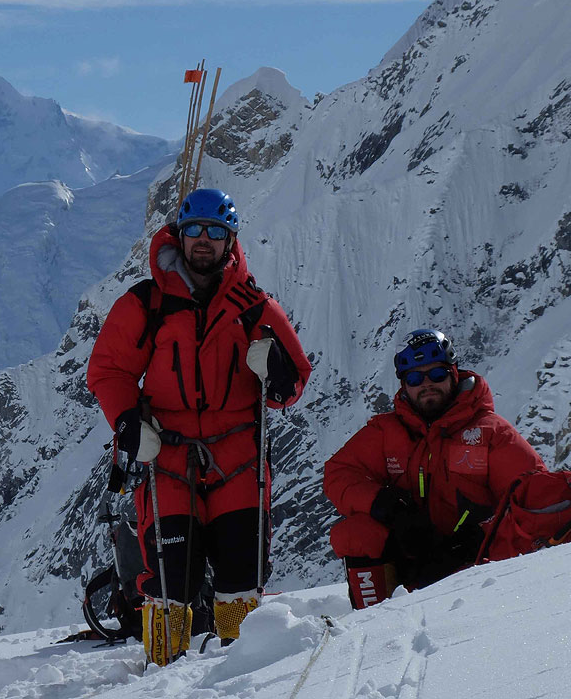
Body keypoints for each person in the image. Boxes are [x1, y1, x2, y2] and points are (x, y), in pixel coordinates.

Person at [87, 188, 311, 665]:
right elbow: (108, 369)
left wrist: (279, 375)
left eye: (215, 232)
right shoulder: (147, 304)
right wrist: (127, 420)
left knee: (240, 578)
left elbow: (293, 383)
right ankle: (163, 672)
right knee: (171, 582)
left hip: (239, 459)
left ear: (231, 240)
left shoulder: (255, 308)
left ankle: (241, 671)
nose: (203, 241)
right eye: (194, 231)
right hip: (167, 457)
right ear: (180, 236)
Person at [323, 328, 545, 609]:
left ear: (453, 373)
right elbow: (338, 473)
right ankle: (371, 621)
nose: (426, 384)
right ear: (404, 385)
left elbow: (534, 496)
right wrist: (387, 507)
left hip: (476, 560)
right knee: (356, 533)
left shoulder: (490, 432)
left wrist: (480, 536)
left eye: (436, 375)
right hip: (410, 553)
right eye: (415, 378)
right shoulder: (387, 432)